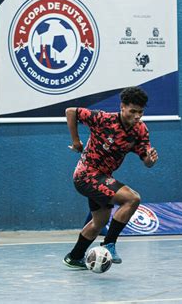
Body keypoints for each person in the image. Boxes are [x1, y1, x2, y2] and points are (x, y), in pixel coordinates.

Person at [63, 87, 158, 269]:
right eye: (133, 111)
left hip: (102, 178)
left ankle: (74, 257)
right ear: (122, 107)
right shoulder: (103, 119)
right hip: (86, 174)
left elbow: (146, 160)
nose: (137, 116)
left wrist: (150, 159)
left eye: (140, 112)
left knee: (99, 222)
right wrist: (76, 141)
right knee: (132, 198)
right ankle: (109, 244)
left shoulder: (140, 130)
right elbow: (71, 112)